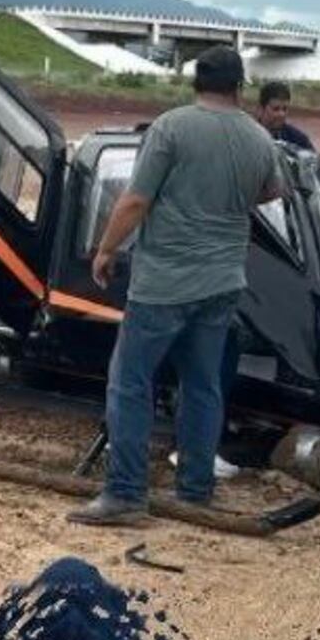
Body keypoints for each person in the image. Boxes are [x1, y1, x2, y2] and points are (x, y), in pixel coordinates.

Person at [69, 47, 285, 526]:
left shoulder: (171, 127)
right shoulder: (258, 137)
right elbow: (273, 191)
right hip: (224, 281)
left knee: (129, 382)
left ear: (195, 83)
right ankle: (194, 488)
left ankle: (124, 493)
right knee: (203, 386)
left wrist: (105, 251)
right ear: (240, 86)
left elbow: (135, 201)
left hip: (164, 282)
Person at [256, 81, 315, 151]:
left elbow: (312, 159)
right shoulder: (249, 136)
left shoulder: (298, 139)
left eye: (285, 109)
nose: (281, 114)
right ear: (261, 109)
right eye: (275, 109)